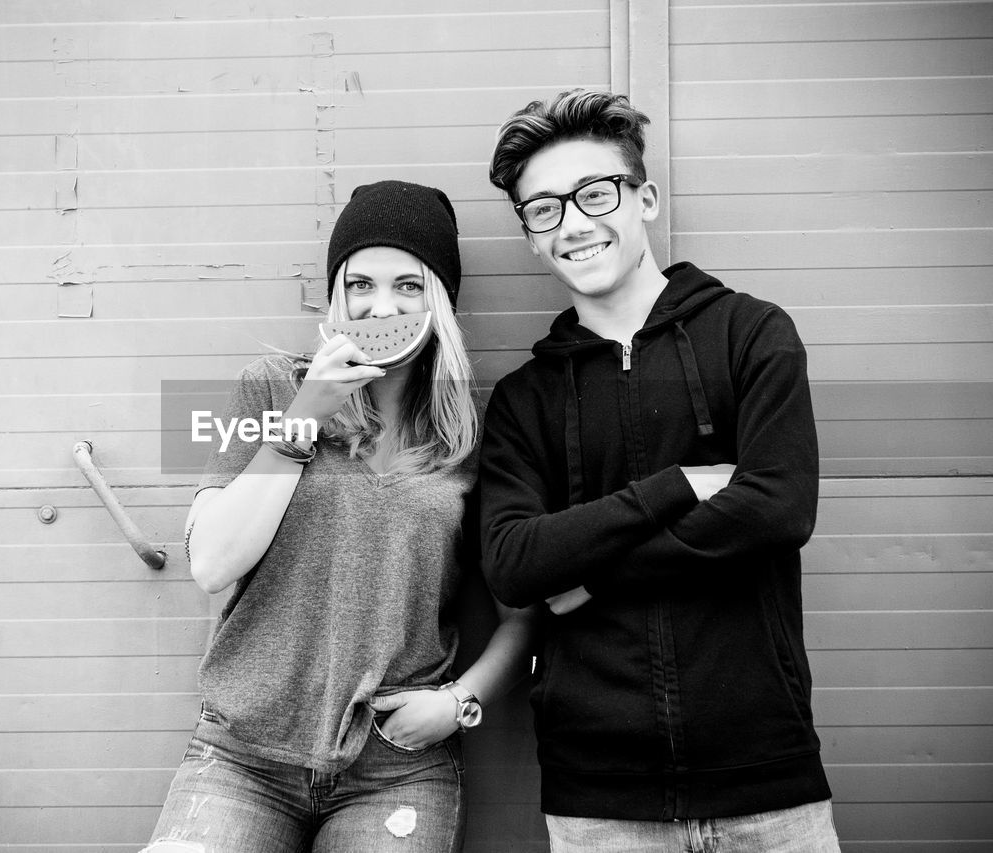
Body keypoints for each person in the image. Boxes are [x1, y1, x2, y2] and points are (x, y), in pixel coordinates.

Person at [478, 89, 841, 851]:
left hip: (766, 781)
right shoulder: (523, 401)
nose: (573, 222)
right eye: (543, 209)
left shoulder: (751, 334)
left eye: (594, 193)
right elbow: (513, 563)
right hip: (598, 801)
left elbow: (776, 509)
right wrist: (678, 486)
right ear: (531, 238)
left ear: (643, 198)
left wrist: (590, 575)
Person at [145, 180, 535, 853]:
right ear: (336, 295)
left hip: (396, 767)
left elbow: (521, 615)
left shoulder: (473, 435)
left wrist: (458, 703)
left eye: (409, 285)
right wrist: (302, 418)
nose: (382, 304)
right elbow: (211, 563)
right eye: (361, 283)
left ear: (439, 300)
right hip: (242, 757)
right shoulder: (272, 386)